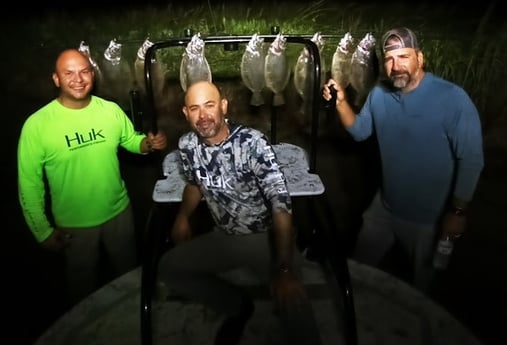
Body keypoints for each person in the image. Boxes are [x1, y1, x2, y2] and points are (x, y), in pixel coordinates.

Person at [157, 81, 322, 345]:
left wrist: (283, 268)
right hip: (223, 236)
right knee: (169, 268)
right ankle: (237, 306)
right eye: (195, 108)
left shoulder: (252, 143)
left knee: (295, 307)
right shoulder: (187, 144)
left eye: (209, 106)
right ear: (185, 114)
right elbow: (195, 183)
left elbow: (280, 202)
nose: (203, 116)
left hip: (263, 239)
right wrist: (182, 218)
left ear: (223, 106)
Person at [322, 27, 484, 293]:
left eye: (404, 57)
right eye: (389, 59)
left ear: (420, 59)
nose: (396, 66)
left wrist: (457, 212)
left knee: (422, 288)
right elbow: (360, 132)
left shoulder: (452, 99)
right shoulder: (379, 95)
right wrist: (341, 102)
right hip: (383, 208)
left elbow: (472, 159)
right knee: (357, 272)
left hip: (427, 221)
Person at [17, 48, 167, 306]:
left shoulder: (109, 110)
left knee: (129, 276)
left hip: (119, 213)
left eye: (84, 71)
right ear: (56, 79)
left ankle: (132, 322)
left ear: (93, 75)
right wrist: (42, 230)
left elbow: (130, 140)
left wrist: (147, 144)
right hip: (74, 225)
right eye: (69, 73)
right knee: (83, 290)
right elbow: (29, 184)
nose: (78, 79)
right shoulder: (37, 125)